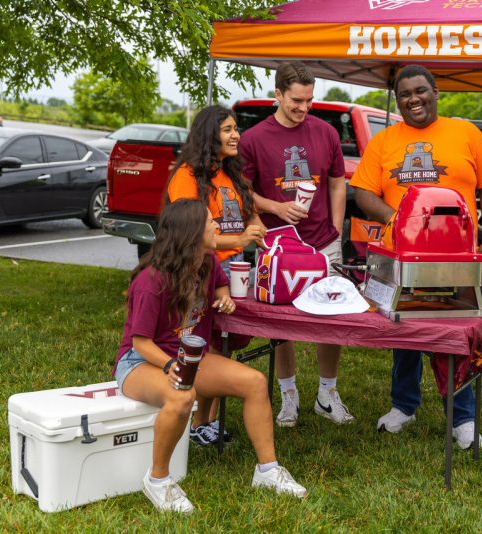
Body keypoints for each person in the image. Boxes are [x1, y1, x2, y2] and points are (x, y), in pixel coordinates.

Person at [112, 199, 306, 513]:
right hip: (142, 361)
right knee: (181, 397)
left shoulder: (206, 262)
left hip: (191, 358)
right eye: (209, 222)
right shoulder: (151, 281)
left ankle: (268, 471)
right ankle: (158, 479)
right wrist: (168, 364)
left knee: (255, 382)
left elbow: (219, 287)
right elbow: (140, 343)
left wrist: (225, 298)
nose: (217, 225)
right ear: (191, 233)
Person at [349, 65, 482, 449]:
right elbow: (364, 194)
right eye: (405, 94)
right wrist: (399, 218)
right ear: (398, 100)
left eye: (420, 91)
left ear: (436, 92)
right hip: (404, 254)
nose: (413, 99)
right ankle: (404, 405)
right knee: (405, 329)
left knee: (454, 333)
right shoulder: (384, 140)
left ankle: (463, 417)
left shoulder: (465, 132)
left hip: (457, 255)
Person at [239, 61, 354, 427]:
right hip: (278, 244)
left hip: (323, 241)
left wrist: (336, 227)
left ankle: (327, 393)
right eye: (295, 101)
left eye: (308, 101)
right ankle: (289, 394)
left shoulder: (325, 133)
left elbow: (338, 182)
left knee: (331, 316)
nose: (303, 108)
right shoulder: (254, 139)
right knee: (282, 322)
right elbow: (241, 193)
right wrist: (274, 207)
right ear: (277, 94)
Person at [166, 104, 266, 444]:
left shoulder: (233, 175)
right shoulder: (187, 177)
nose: (236, 134)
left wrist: (253, 229)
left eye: (236, 128)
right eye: (227, 130)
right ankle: (194, 421)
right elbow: (191, 232)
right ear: (209, 135)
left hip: (234, 270)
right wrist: (238, 238)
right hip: (201, 271)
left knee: (223, 346)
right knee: (201, 344)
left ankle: (206, 422)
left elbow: (253, 216)